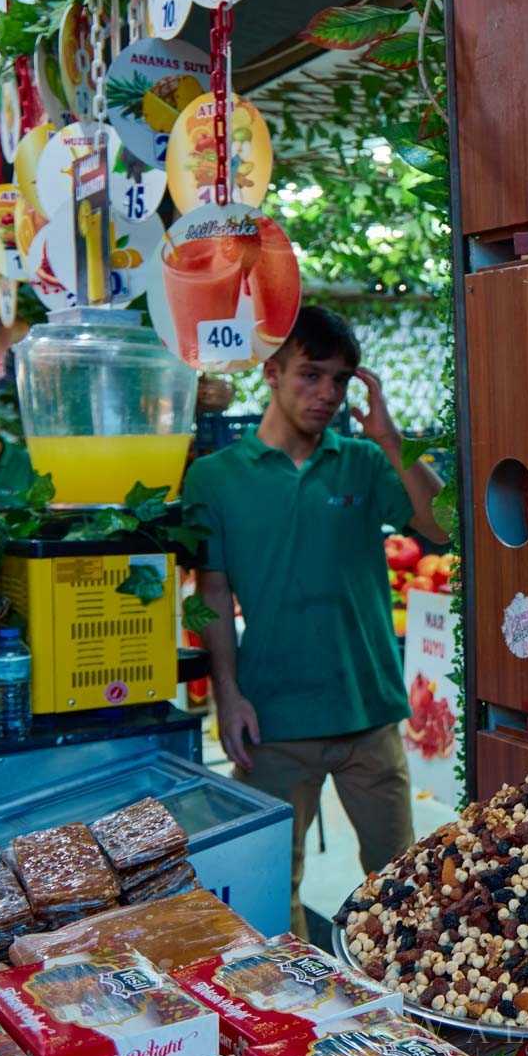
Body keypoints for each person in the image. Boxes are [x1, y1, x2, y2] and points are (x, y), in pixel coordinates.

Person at [182, 306, 446, 935]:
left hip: (370, 716)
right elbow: (208, 595)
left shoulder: (364, 461)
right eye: (311, 375)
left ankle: (404, 1019)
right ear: (271, 373)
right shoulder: (213, 479)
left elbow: (440, 526)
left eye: (341, 380)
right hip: (272, 720)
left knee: (404, 890)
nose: (327, 393)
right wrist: (227, 695)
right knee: (274, 894)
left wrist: (390, 439)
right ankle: (301, 1023)